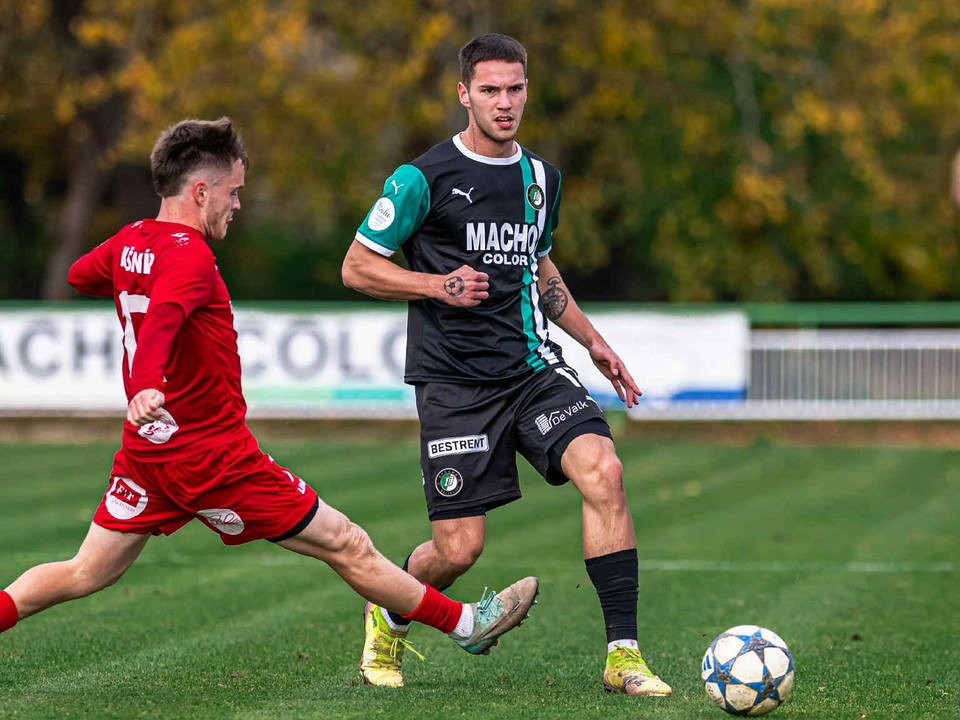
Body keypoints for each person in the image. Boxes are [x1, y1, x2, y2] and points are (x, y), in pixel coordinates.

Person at [0, 117, 540, 671]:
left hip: (148, 452)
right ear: (200, 190)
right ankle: (466, 624)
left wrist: (129, 277)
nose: (237, 206)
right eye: (233, 193)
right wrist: (144, 386)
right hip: (211, 457)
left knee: (85, 571)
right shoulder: (190, 255)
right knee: (346, 542)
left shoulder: (133, 239)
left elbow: (79, 275)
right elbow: (161, 319)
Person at [341, 34, 671, 697]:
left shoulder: (541, 178)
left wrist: (591, 340)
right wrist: (437, 286)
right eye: (489, 90)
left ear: (527, 91)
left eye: (515, 89)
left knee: (604, 472)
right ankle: (391, 609)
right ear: (463, 93)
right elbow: (356, 267)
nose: (504, 102)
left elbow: (540, 267)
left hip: (531, 371)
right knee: (458, 551)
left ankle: (623, 656)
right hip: (454, 385)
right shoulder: (422, 179)